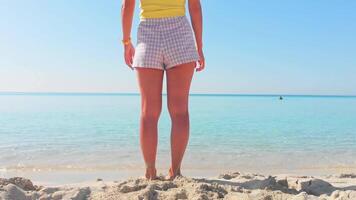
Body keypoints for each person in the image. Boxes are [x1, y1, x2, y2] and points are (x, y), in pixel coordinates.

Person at [121, 0, 205, 180]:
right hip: (180, 35)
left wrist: (126, 42)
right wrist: (199, 46)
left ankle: (150, 172)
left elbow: (128, 5)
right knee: (180, 112)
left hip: (148, 36)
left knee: (148, 113)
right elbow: (195, 7)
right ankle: (175, 172)